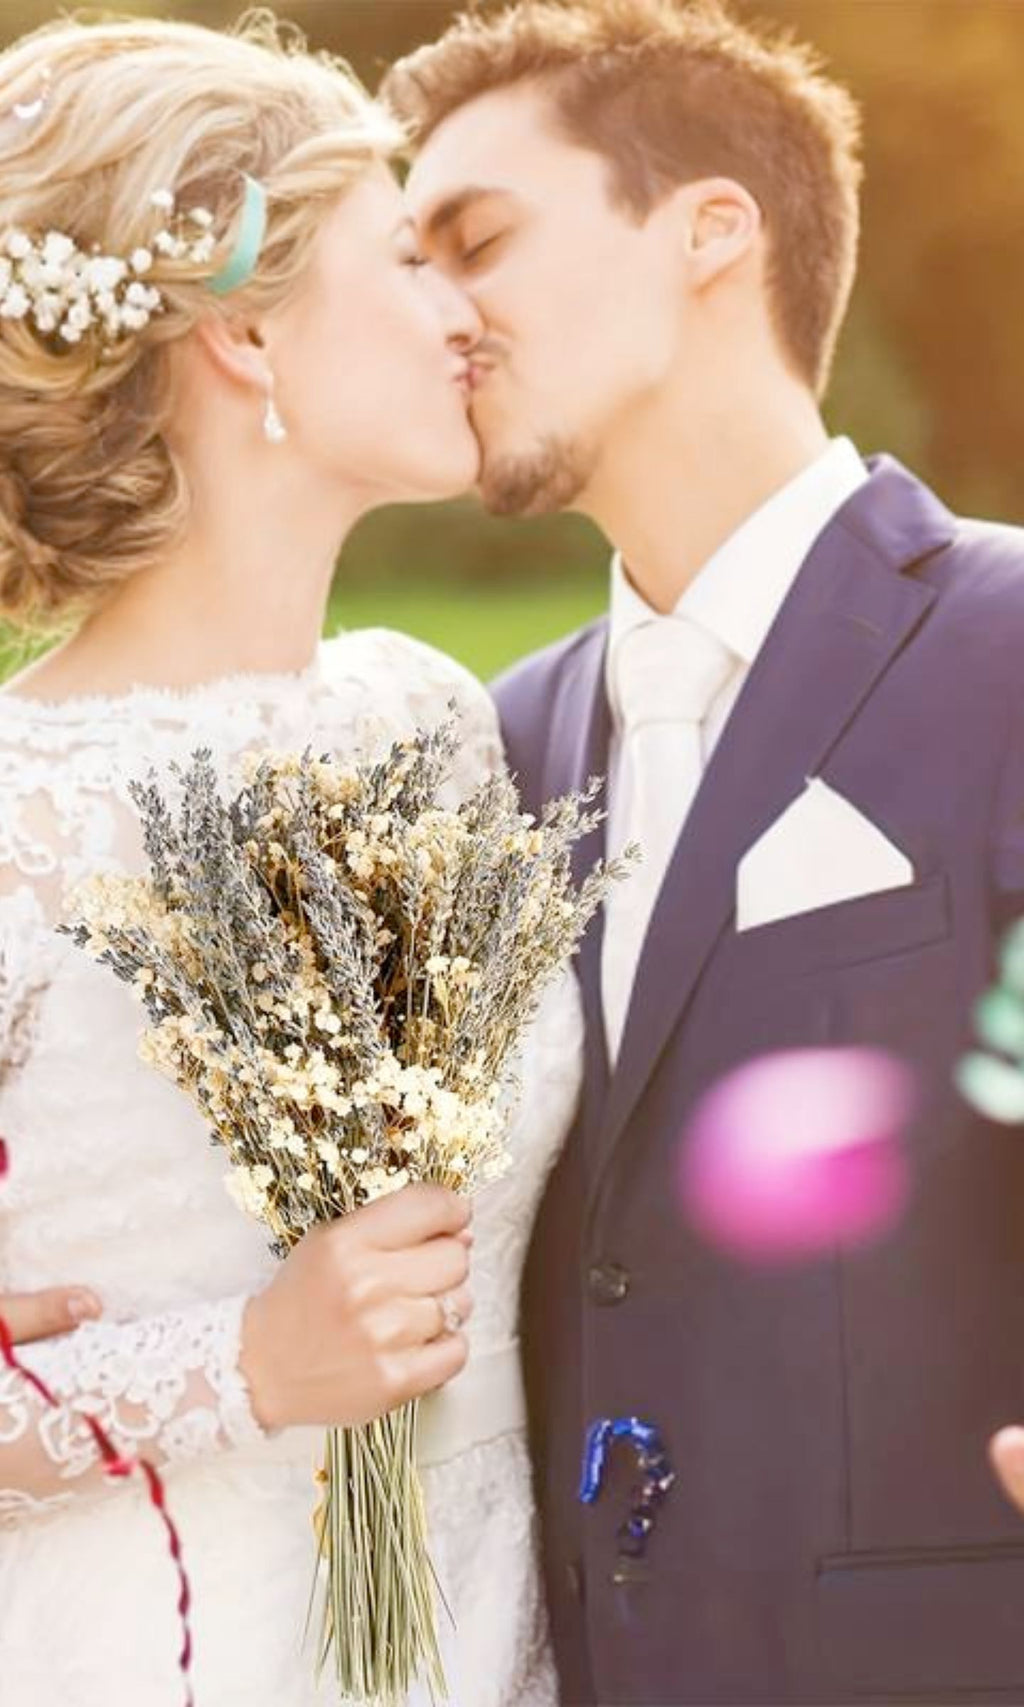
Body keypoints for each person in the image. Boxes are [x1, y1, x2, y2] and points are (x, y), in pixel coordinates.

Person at [385, 0, 1024, 1700]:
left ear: (710, 234)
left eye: (479, 240)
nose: (432, 313)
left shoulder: (1013, 638)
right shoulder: (490, 744)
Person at [0, 14, 579, 1704]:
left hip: (493, 1640)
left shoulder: (435, 720)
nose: (465, 308)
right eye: (406, 251)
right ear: (245, 331)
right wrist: (242, 1363)